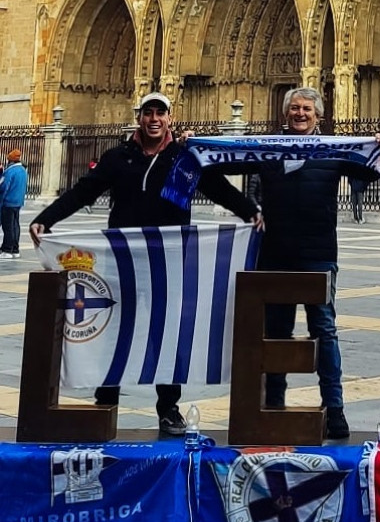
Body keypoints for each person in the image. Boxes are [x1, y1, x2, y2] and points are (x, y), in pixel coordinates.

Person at [29, 92, 262, 435]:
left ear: (170, 117)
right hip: (122, 262)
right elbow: (83, 192)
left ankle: (168, 407)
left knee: (166, 334)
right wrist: (46, 219)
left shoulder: (184, 158)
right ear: (139, 117)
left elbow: (219, 189)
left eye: (160, 113)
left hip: (169, 261)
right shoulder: (118, 158)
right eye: (148, 112)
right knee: (114, 331)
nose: (154, 118)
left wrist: (251, 212)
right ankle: (105, 402)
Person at [249, 87, 380, 439]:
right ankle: (274, 407)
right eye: (294, 108)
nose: (300, 114)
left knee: (324, 331)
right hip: (276, 255)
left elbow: (367, 175)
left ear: (318, 116)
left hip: (319, 255)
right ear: (285, 114)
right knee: (276, 335)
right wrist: (249, 210)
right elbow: (225, 164)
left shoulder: (333, 149)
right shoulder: (268, 149)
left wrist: (378, 148)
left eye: (307, 109)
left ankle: (335, 409)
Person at [0, 149, 28, 259]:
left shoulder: (10, 171)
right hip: (18, 202)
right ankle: (15, 249)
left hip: (8, 201)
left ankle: (7, 249)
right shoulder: (23, 170)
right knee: (15, 225)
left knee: (8, 226)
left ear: (10, 161)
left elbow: (4, 186)